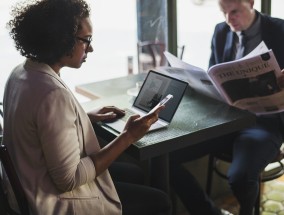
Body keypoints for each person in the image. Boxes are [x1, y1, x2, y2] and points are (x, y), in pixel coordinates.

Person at [2, 0, 171, 214]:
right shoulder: (52, 94)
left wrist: (82, 117)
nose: (90, 47)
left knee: (134, 174)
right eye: (86, 40)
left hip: (28, 185)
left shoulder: (21, 73)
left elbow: (40, 127)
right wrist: (128, 136)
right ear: (61, 40)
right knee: (160, 202)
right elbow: (69, 179)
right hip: (51, 202)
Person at [170, 0, 284, 215]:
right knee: (165, 159)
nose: (228, 19)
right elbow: (214, 74)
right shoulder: (221, 31)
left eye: (234, 12)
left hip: (264, 122)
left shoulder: (279, 29)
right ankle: (207, 211)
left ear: (250, 3)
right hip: (224, 120)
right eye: (223, 12)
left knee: (240, 178)